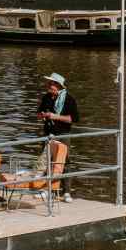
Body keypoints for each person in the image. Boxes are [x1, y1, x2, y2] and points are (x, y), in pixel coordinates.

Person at [36, 72, 79, 202]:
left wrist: (55, 116)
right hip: (48, 134)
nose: (48, 85)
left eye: (51, 83)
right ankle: (46, 189)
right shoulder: (47, 97)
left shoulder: (69, 99)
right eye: (49, 83)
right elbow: (38, 113)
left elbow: (73, 118)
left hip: (63, 134)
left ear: (58, 86)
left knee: (65, 162)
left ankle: (66, 192)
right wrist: (42, 115)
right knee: (46, 161)